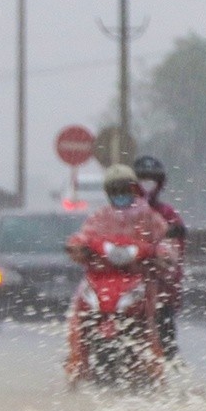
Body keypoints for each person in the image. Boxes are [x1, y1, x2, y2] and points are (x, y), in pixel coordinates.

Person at [64, 164, 175, 379]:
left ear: (133, 189)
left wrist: (162, 253)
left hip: (138, 278)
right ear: (107, 193)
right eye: (114, 190)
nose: (120, 194)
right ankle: (76, 359)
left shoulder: (149, 217)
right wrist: (77, 245)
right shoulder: (99, 217)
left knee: (148, 319)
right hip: (100, 278)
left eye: (124, 188)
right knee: (78, 313)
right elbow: (84, 236)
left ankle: (153, 366)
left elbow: (165, 241)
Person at [134, 155, 186, 359]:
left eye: (151, 180)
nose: (147, 185)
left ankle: (168, 360)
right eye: (142, 180)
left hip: (158, 282)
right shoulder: (118, 212)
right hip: (125, 279)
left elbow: (175, 247)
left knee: (164, 324)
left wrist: (164, 258)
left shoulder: (167, 213)